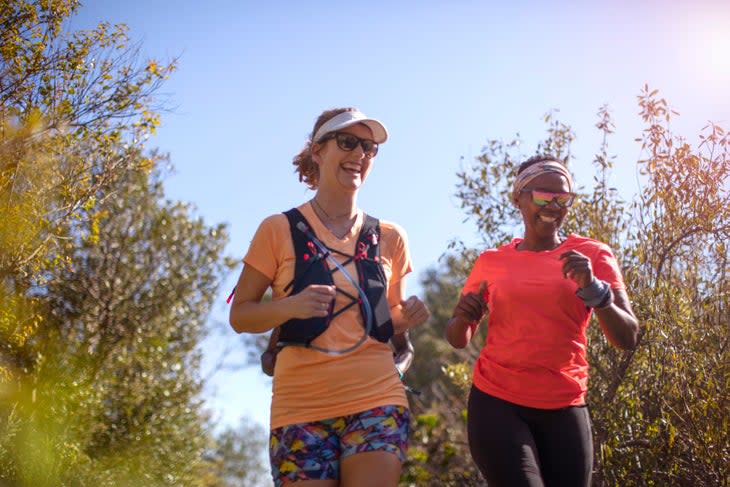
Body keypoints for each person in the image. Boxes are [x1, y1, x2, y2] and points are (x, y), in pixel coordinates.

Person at [229, 107, 429, 487]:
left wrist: (410, 314)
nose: (360, 155)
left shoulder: (391, 237)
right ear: (317, 151)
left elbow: (390, 320)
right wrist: (289, 306)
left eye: (369, 148)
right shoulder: (277, 229)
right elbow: (240, 315)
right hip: (299, 405)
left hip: (377, 397)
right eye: (348, 142)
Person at [446, 155, 639, 487]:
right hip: (497, 401)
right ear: (518, 198)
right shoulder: (491, 262)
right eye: (542, 196)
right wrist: (464, 318)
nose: (553, 205)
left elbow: (627, 337)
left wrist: (594, 289)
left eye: (562, 198)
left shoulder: (593, 254)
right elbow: (457, 337)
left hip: (565, 403)